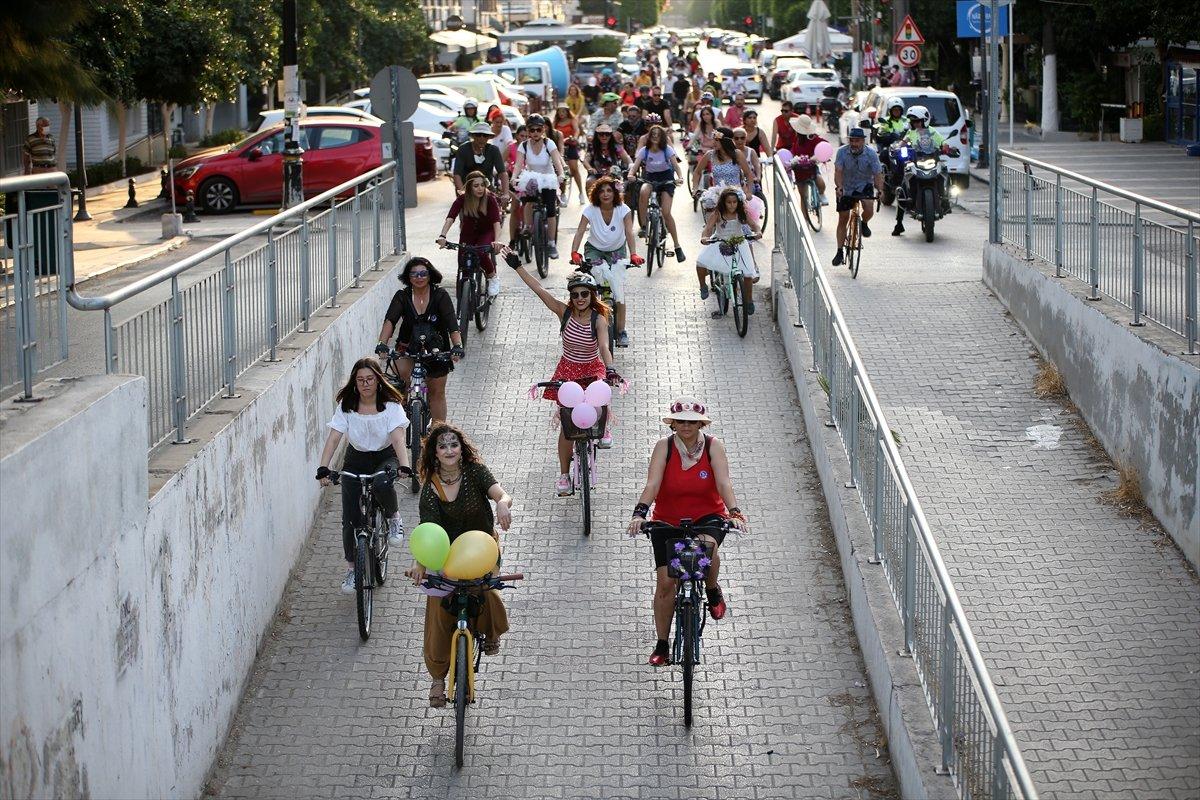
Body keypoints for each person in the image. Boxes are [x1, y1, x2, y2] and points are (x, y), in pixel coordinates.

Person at [626, 398, 747, 666]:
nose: (686, 426)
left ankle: (712, 588)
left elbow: (724, 482)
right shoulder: (664, 447)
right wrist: (640, 513)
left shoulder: (714, 447)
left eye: (692, 422)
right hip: (668, 521)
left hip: (707, 516)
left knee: (704, 549)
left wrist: (734, 512)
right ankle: (662, 644)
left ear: (701, 423)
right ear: (673, 424)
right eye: (681, 421)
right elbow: (653, 483)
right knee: (666, 584)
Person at [405, 422, 513, 708]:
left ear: (461, 449)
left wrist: (502, 503)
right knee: (438, 612)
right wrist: (420, 563)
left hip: (481, 548)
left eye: (454, 444)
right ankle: (438, 679)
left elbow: (500, 493)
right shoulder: (430, 489)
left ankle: (490, 633)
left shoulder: (476, 472)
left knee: (487, 588)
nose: (449, 450)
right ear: (435, 454)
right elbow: (427, 529)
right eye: (442, 446)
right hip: (446, 555)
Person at [508, 259, 622, 490]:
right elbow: (538, 289)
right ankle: (563, 475)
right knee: (567, 426)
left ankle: (603, 426)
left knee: (600, 393)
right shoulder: (564, 312)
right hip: (568, 370)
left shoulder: (598, 319)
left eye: (584, 294)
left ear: (592, 295)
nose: (579, 298)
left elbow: (603, 347)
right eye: (575, 294)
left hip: (591, 368)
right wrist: (517, 266)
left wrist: (610, 368)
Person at [316, 358, 411, 594]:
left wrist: (404, 465)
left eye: (370, 379)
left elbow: (398, 438)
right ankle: (352, 569)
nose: (365, 384)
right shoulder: (347, 405)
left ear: (378, 381)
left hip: (384, 456)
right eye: (360, 380)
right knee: (350, 518)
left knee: (381, 482)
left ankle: (394, 517)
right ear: (354, 383)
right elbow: (334, 437)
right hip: (356, 458)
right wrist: (323, 467)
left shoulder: (391, 406)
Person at [375, 257, 464, 420]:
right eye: (414, 274)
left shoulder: (440, 295)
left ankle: (438, 432)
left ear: (430, 275)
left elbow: (452, 324)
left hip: (437, 349)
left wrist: (457, 345)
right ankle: (399, 425)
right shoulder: (402, 296)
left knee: (437, 392)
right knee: (400, 384)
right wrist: (382, 344)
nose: (419, 277)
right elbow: (390, 321)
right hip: (407, 347)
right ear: (408, 278)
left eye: (423, 273)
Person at [569, 176, 643, 350]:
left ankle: (621, 331)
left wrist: (633, 254)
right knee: (595, 283)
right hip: (594, 250)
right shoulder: (590, 210)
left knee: (618, 290)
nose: (605, 194)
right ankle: (587, 326)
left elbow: (629, 232)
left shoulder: (623, 209)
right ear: (596, 193)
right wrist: (574, 251)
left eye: (609, 190)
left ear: (615, 192)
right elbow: (580, 232)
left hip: (617, 251)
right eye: (601, 191)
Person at [437, 170, 504, 297]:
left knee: (480, 252)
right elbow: (450, 218)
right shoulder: (462, 199)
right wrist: (443, 235)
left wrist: (497, 240)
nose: (480, 188)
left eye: (482, 185)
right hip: (467, 234)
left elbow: (496, 222)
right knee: (463, 264)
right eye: (476, 186)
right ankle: (465, 300)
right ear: (469, 187)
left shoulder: (490, 199)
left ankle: (492, 277)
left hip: (486, 232)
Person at [511, 114, 567, 259]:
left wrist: (561, 174)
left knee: (550, 210)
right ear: (528, 131)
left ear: (543, 130)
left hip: (548, 179)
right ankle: (528, 227)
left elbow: (557, 162)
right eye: (532, 130)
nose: (535, 133)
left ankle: (551, 243)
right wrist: (513, 177)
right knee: (528, 201)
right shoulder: (523, 145)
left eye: (538, 129)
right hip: (531, 178)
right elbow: (518, 164)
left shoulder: (549, 144)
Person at [696, 187, 760, 314]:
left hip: (739, 242)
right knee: (700, 262)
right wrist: (704, 237)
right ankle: (703, 286)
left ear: (738, 202)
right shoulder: (718, 213)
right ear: (723, 203)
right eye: (729, 202)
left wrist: (758, 231)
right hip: (720, 241)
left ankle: (749, 300)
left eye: (734, 202)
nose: (732, 205)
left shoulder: (742, 213)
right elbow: (708, 228)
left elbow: (754, 225)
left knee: (747, 273)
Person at [892, 105, 952, 237]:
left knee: (944, 171)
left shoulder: (932, 132)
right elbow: (903, 143)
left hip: (932, 161)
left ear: (925, 120)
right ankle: (899, 223)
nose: (915, 124)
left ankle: (945, 198)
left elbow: (942, 142)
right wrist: (898, 149)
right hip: (915, 162)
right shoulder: (910, 133)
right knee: (902, 187)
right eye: (913, 122)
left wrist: (947, 148)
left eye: (918, 121)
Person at [628, 125, 685, 263]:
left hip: (666, 179)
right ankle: (643, 226)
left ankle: (677, 246)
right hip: (650, 178)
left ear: (662, 137)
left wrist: (680, 177)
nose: (655, 137)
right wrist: (631, 175)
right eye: (652, 134)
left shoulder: (667, 150)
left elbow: (676, 166)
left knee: (666, 212)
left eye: (658, 135)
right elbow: (635, 166)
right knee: (643, 191)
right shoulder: (644, 151)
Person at [832, 127, 885, 266]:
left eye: (857, 141)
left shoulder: (871, 154)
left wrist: (880, 190)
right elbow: (838, 171)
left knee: (869, 208)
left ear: (863, 141)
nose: (854, 144)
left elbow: (877, 174)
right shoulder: (842, 152)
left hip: (864, 185)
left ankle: (864, 222)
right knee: (843, 217)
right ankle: (839, 251)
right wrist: (839, 187)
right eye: (852, 141)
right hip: (846, 186)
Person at [692, 128, 755, 210]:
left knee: (741, 220)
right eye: (713, 139)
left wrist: (749, 192)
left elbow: (749, 174)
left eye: (717, 140)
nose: (713, 142)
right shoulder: (709, 155)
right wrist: (695, 188)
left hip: (735, 195)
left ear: (725, 141)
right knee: (709, 211)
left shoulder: (737, 154)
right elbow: (697, 172)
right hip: (718, 195)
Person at [452, 122, 509, 200]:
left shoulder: (493, 150)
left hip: (486, 188)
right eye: (478, 135)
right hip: (466, 189)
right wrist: (462, 192)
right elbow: (457, 174)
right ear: (473, 136)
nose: (482, 138)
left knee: (493, 208)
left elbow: (502, 172)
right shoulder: (463, 149)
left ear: (489, 137)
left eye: (485, 135)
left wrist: (506, 193)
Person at [788, 115, 829, 204]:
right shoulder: (796, 139)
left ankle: (821, 194)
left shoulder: (813, 138)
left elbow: (825, 145)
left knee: (818, 178)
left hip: (811, 166)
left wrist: (819, 156)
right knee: (803, 197)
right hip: (799, 169)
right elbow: (792, 151)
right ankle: (805, 217)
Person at [581, 124, 631, 195]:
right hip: (596, 175)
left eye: (607, 134)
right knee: (589, 182)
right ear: (597, 135)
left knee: (623, 188)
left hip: (614, 175)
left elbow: (627, 158)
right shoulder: (592, 147)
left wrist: (631, 165)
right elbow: (586, 161)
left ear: (611, 135)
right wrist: (590, 168)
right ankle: (593, 204)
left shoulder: (616, 146)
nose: (604, 136)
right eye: (601, 134)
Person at [552, 104, 586, 202]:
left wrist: (574, 137)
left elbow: (576, 130)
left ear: (567, 112)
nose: (562, 113)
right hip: (559, 147)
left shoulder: (572, 120)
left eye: (564, 111)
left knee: (574, 169)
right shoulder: (555, 122)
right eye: (560, 111)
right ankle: (562, 193)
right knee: (561, 171)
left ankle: (581, 193)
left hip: (570, 145)